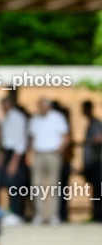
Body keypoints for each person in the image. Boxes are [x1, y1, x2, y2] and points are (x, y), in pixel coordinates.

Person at [27, 97, 69, 226]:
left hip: (53, 153)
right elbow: (32, 138)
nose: (39, 109)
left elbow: (66, 137)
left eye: (42, 106)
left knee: (53, 185)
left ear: (48, 107)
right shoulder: (35, 119)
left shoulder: (58, 118)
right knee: (37, 184)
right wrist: (30, 154)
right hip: (39, 153)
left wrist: (59, 150)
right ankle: (39, 214)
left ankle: (53, 215)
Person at [0, 95, 29, 224]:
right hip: (8, 153)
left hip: (16, 155)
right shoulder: (6, 119)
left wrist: (14, 162)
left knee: (15, 184)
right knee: (8, 183)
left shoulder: (18, 118)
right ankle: (11, 211)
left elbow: (20, 141)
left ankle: (17, 213)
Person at [82, 100, 102, 222]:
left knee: (98, 189)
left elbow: (98, 139)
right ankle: (96, 213)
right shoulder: (91, 123)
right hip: (92, 161)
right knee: (95, 189)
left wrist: (88, 142)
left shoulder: (96, 123)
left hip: (97, 161)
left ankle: (98, 214)